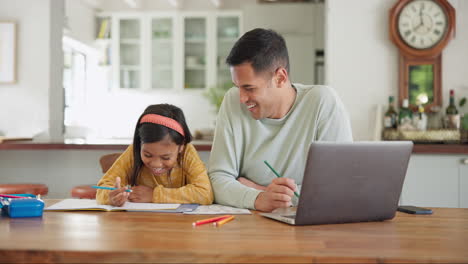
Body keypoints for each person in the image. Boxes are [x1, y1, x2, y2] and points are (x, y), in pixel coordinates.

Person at [208, 28, 353, 212]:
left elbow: (339, 188)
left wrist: (259, 191)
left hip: (309, 230)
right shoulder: (232, 101)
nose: (242, 98)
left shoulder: (322, 102)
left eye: (249, 88)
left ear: (280, 77)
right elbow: (218, 180)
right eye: (237, 87)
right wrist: (259, 198)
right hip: (249, 227)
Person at [96, 104, 214, 206]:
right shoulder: (134, 151)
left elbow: (205, 193)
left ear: (181, 146)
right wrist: (111, 197)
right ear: (140, 144)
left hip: (182, 226)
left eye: (166, 157)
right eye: (147, 155)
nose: (156, 164)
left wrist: (154, 195)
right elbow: (102, 189)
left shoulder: (187, 152)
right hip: (141, 225)